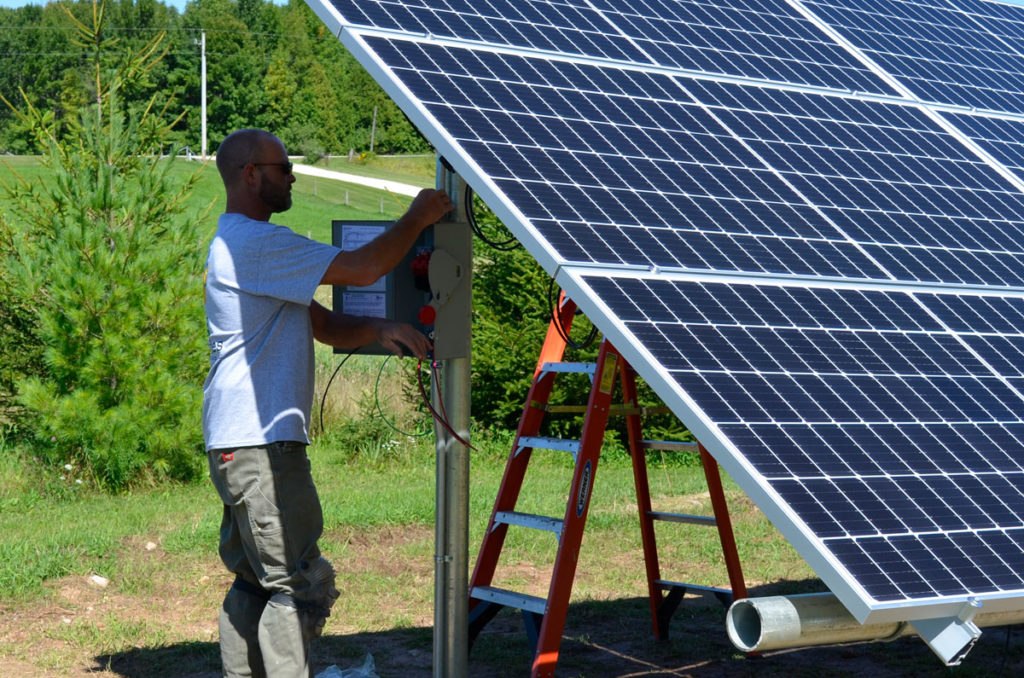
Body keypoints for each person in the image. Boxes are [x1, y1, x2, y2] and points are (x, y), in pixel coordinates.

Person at [202, 128, 452, 678]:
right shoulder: (256, 243)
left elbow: (323, 325)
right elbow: (363, 269)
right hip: (264, 445)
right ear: (251, 174)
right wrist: (417, 217)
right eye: (283, 166)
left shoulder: (239, 245)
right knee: (298, 585)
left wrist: (380, 327)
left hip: (235, 442)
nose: (292, 176)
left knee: (254, 580)